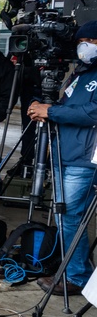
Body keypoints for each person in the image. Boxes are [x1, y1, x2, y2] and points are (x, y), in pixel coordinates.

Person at [27, 20, 97, 296]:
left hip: (84, 158)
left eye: (90, 41)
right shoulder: (79, 73)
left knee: (69, 217)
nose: (84, 46)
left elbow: (92, 113)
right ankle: (75, 271)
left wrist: (51, 112)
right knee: (66, 216)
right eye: (82, 41)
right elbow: (67, 107)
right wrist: (43, 107)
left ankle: (77, 277)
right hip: (64, 152)